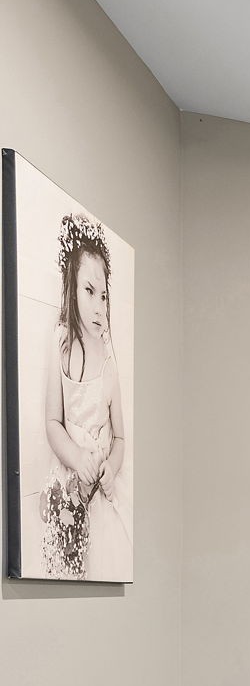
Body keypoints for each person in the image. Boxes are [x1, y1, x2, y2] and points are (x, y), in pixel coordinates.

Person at [39, 214, 127, 580]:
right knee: (62, 552)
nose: (98, 305)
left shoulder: (109, 365)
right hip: (70, 475)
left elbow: (120, 436)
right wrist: (76, 457)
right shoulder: (61, 348)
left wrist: (112, 467)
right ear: (71, 291)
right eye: (88, 291)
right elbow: (52, 421)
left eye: (103, 295)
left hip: (99, 485)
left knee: (105, 556)